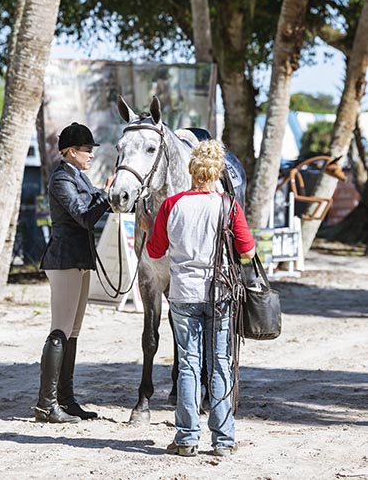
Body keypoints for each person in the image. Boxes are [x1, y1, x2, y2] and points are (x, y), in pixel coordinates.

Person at [141, 140, 255, 456]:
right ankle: (223, 440)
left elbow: (154, 252)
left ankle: (187, 438)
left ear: (192, 171)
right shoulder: (228, 205)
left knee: (189, 365)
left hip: (182, 293)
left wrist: (150, 229)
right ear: (217, 171)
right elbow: (248, 251)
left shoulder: (171, 205)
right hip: (219, 294)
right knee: (220, 364)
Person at [35, 122, 114, 424]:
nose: (91, 153)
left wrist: (110, 196)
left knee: (73, 332)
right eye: (86, 149)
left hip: (80, 259)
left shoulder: (79, 177)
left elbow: (95, 203)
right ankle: (46, 403)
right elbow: (84, 215)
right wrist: (104, 197)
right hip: (64, 259)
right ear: (69, 151)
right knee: (60, 330)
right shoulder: (60, 179)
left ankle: (65, 399)